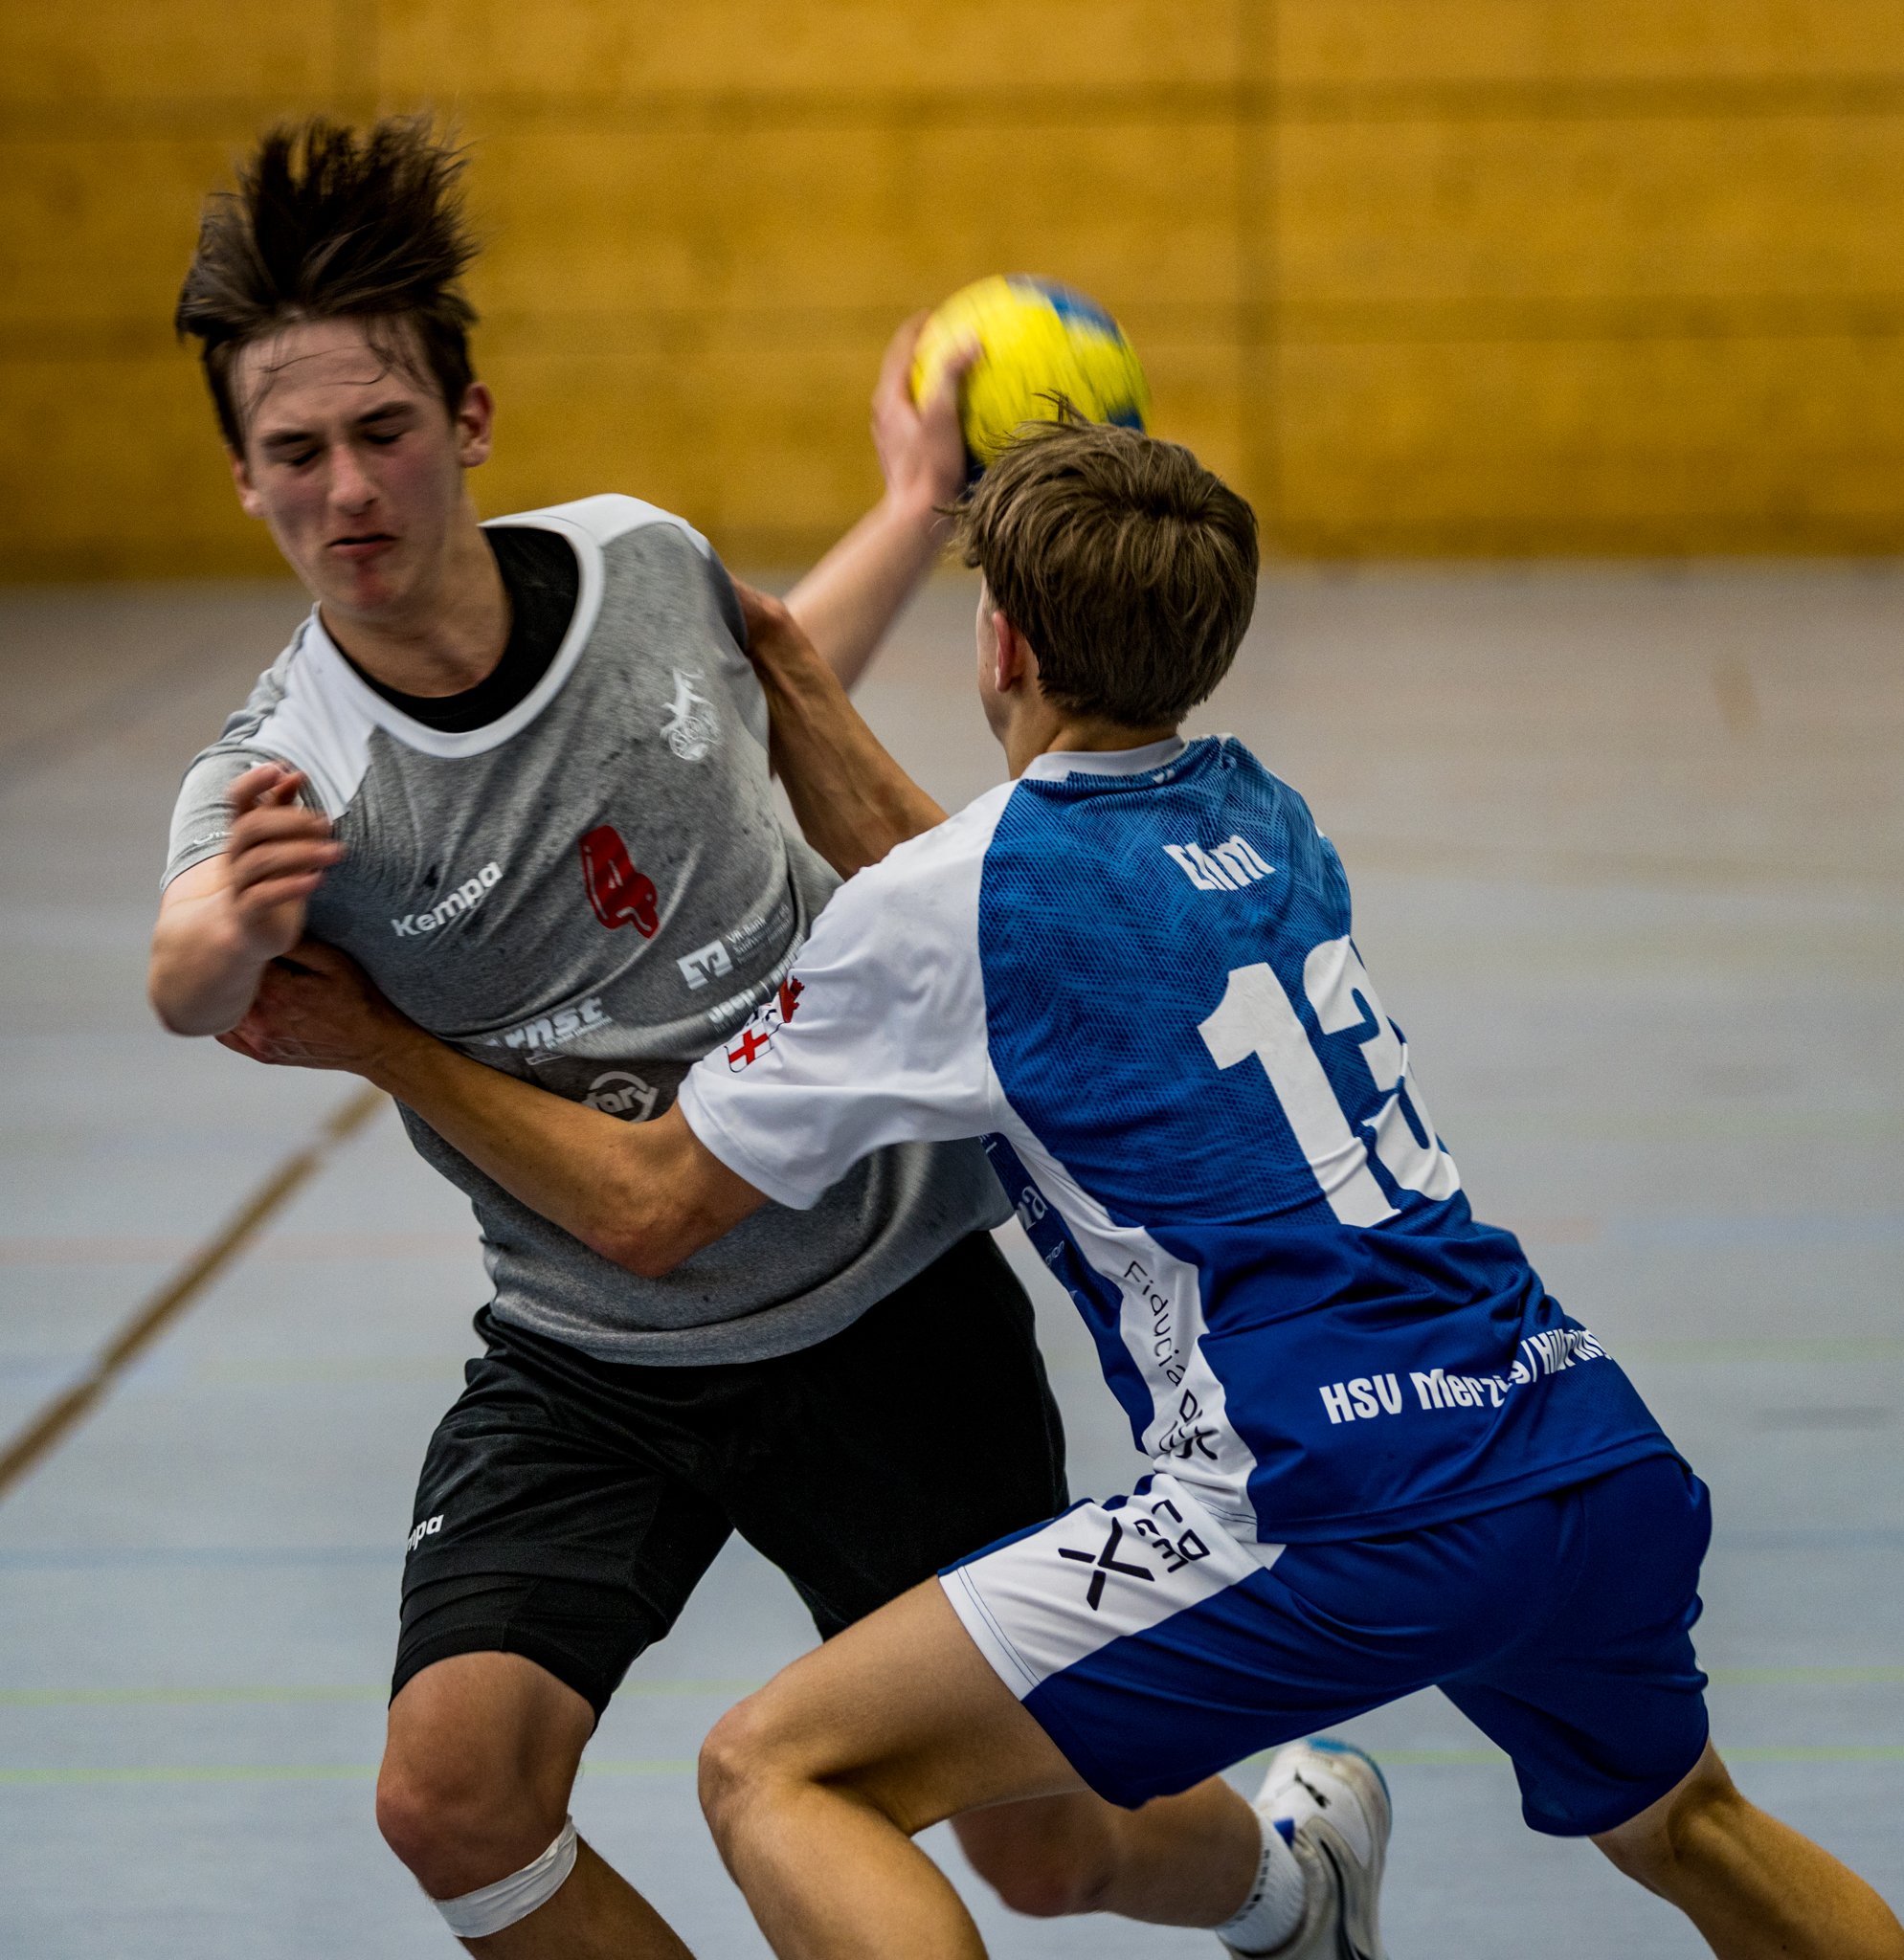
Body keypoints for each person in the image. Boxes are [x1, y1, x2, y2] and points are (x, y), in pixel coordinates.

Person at [228, 417, 1904, 1960]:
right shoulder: (1259, 818)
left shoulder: (951, 906)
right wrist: (794, 682)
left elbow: (653, 1206)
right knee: (1690, 1826)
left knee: (777, 1772)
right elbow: (978, 897)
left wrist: (381, 1041)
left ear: (1001, 644)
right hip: (1569, 1435)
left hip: (1320, 1491)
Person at [148, 115, 1083, 1957]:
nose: (349, 488)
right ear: (246, 481)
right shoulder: (289, 779)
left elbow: (745, 693)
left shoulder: (635, 559)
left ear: (470, 423)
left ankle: (1290, 1866)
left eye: (384, 432)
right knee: (450, 1796)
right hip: (598, 1341)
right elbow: (184, 971)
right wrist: (224, 931)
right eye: (297, 454)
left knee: (1040, 1849)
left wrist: (915, 503)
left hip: (888, 1297)